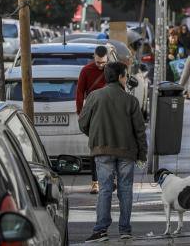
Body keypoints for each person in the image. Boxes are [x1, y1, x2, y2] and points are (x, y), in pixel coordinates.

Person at [79, 61, 147, 243]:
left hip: (102, 151)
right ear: (120, 77)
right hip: (127, 152)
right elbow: (140, 130)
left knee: (105, 190)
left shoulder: (94, 97)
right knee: (125, 189)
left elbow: (83, 123)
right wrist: (142, 154)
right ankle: (125, 229)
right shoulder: (131, 101)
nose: (126, 79)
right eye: (125, 75)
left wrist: (96, 136)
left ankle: (101, 230)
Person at [76, 45, 110, 194]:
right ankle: (95, 182)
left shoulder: (112, 70)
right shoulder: (86, 71)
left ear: (107, 59)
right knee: (94, 149)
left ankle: (109, 179)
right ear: (94, 58)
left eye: (103, 63)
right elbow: (79, 92)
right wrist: (80, 113)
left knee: (110, 149)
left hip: (109, 114)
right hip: (93, 115)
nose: (100, 66)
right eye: (98, 62)